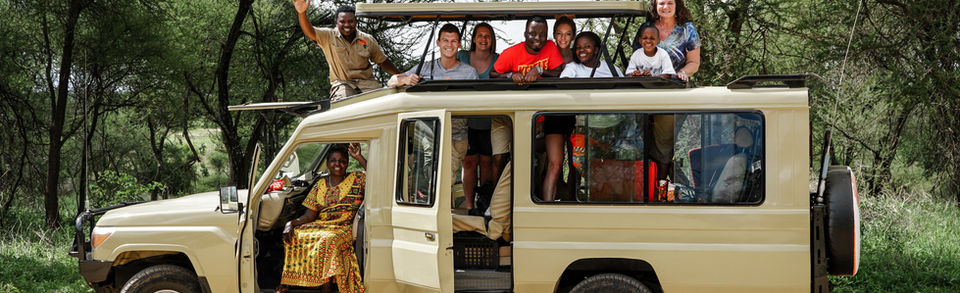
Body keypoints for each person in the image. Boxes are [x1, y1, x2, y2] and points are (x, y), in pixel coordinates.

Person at [278, 144, 367, 293]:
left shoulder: (357, 179)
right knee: (296, 234)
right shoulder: (320, 184)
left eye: (342, 161)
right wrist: (291, 223)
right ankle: (292, 282)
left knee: (328, 239)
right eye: (333, 160)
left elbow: (377, 176)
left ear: (347, 163)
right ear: (327, 164)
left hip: (343, 227)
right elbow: (309, 215)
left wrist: (359, 157)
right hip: (321, 224)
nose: (337, 164)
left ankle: (326, 285)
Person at [294, 1, 401, 102]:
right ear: (336, 22)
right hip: (343, 84)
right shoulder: (328, 36)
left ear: (356, 22)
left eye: (350, 21)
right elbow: (310, 31)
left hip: (367, 83)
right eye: (342, 22)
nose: (347, 25)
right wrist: (302, 13)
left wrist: (400, 76)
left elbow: (382, 61)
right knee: (343, 105)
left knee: (384, 103)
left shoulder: (367, 39)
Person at [388, 24, 478, 87]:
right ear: (438, 43)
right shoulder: (424, 67)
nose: (449, 45)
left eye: (453, 41)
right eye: (445, 40)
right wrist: (405, 80)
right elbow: (391, 81)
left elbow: (476, 100)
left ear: (459, 44)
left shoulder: (470, 73)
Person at [633, 0, 700, 82]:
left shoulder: (688, 29)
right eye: (661, 3)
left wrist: (683, 73)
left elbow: (694, 63)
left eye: (670, 3)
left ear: (676, 5)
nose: (665, 7)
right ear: (655, 6)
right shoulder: (645, 28)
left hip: (676, 86)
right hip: (647, 86)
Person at [491, 16, 565, 85]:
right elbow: (492, 74)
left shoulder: (550, 46)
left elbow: (558, 73)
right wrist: (510, 75)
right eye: (532, 34)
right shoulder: (510, 53)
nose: (538, 38)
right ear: (525, 34)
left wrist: (539, 70)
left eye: (542, 35)